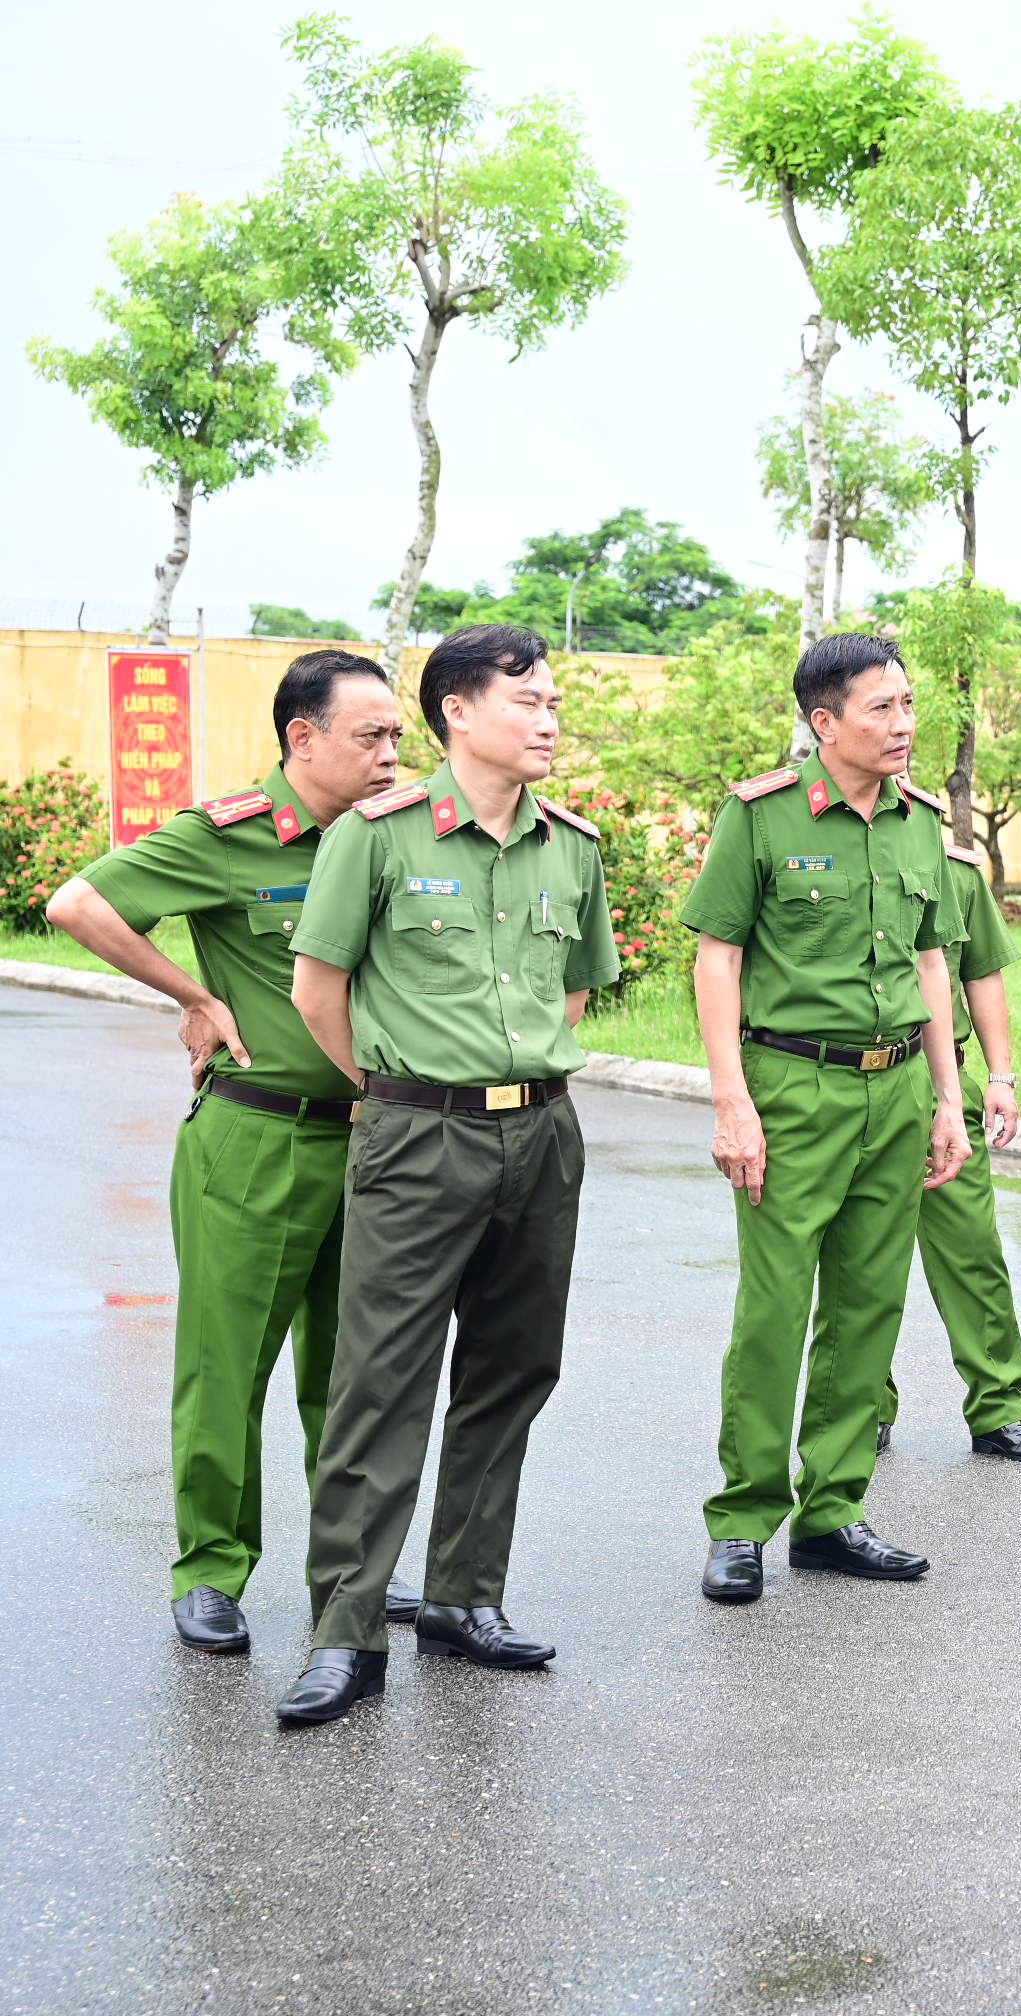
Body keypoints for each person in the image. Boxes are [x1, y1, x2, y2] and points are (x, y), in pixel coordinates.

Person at [273, 624, 621, 1725]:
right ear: (458, 712)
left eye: (555, 702)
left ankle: (469, 1599)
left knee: (513, 1371)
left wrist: (512, 1083)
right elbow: (317, 993)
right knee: (381, 1385)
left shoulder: (573, 845)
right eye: (528, 701)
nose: (550, 721)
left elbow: (575, 992)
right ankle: (345, 1630)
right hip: (417, 1133)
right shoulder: (375, 837)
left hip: (543, 1135)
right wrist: (395, 1091)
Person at [47, 651, 416, 1653]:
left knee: (356, 1371)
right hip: (258, 1136)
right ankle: (211, 1569)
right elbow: (78, 905)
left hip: (382, 1141)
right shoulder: (227, 839)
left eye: (397, 737)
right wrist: (194, 995)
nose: (391, 755)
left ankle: (352, 1568)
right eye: (369, 736)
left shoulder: (394, 839)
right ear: (303, 737)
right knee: (228, 1365)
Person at [685, 633, 972, 1607]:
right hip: (792, 1087)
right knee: (774, 1310)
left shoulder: (917, 823)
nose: (905, 725)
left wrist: (948, 1099)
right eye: (883, 708)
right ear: (825, 722)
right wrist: (732, 1098)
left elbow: (933, 963)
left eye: (908, 706)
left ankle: (833, 1512)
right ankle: (743, 1518)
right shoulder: (760, 817)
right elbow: (716, 958)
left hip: (895, 1088)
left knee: (866, 1310)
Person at [879, 817, 1021, 1463]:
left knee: (973, 1252)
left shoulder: (952, 869)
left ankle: (999, 1411)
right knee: (859, 1259)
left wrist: (1001, 1076)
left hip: (941, 1083)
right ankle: (862, 1406)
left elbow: (980, 974)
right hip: (860, 1080)